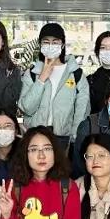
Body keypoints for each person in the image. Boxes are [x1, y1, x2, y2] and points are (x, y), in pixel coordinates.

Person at [18, 22, 90, 150]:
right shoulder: (32, 73)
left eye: (55, 42)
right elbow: (26, 108)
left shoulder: (75, 74)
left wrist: (74, 136)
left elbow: (82, 109)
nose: (50, 45)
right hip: (35, 135)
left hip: (63, 138)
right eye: (46, 42)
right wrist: (41, 79)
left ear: (62, 45)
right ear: (40, 45)